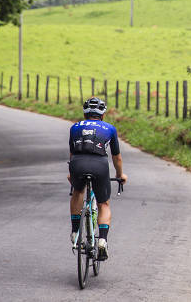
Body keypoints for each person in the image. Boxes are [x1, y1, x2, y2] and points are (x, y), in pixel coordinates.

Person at [68, 97, 127, 260]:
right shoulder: (110, 128)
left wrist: (71, 173)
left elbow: (72, 154)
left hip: (77, 164)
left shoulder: (75, 127)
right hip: (99, 165)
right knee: (103, 204)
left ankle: (75, 233)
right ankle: (102, 240)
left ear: (85, 113)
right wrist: (119, 175)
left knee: (78, 193)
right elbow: (117, 158)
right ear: (102, 114)